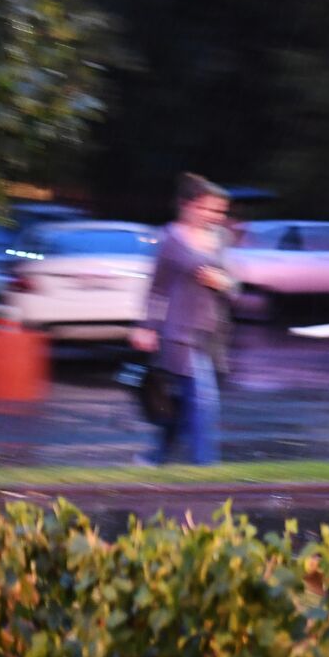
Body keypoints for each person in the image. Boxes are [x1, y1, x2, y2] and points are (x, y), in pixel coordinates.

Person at [130, 174, 236, 465]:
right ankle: (205, 469)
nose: (214, 216)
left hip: (213, 335)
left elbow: (234, 285)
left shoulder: (221, 239)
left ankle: (154, 458)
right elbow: (157, 288)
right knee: (204, 401)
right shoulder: (171, 239)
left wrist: (223, 283)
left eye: (219, 211)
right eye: (207, 208)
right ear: (187, 205)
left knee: (183, 405)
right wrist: (147, 326)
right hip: (180, 334)